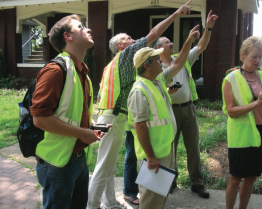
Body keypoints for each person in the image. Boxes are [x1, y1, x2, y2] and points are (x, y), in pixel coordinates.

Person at [87, 1, 193, 209]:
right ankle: (91, 205)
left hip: (103, 117)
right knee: (103, 167)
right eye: (129, 39)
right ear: (121, 45)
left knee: (107, 164)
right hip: (113, 118)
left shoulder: (111, 64)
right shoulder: (127, 57)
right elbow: (154, 33)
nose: (134, 40)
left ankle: (109, 202)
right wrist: (176, 14)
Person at [31, 15, 103, 209]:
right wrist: (82, 133)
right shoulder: (55, 70)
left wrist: (92, 129)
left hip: (78, 159)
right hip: (57, 163)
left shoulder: (83, 74)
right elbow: (39, 119)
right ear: (68, 36)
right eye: (80, 27)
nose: (88, 29)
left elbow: (71, 116)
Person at [128, 25, 200, 209]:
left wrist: (188, 42)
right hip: (153, 157)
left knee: (160, 198)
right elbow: (140, 126)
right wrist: (151, 157)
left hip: (165, 151)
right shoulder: (139, 91)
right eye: (156, 59)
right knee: (150, 202)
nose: (161, 60)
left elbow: (178, 63)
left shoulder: (158, 80)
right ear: (146, 65)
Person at [154, 10, 218, 197]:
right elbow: (155, 89)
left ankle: (197, 184)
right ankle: (170, 181)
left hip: (188, 109)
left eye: (171, 42)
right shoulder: (157, 66)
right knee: (169, 149)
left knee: (193, 148)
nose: (171, 43)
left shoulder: (181, 59)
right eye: (167, 42)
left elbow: (201, 46)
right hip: (169, 111)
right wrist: (167, 92)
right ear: (159, 48)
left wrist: (208, 28)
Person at [222, 36, 262, 209]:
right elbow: (231, 111)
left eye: (260, 57)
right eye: (254, 56)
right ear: (243, 56)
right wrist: (256, 103)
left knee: (252, 177)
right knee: (235, 178)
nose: (258, 60)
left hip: (261, 132)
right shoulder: (230, 79)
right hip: (242, 135)